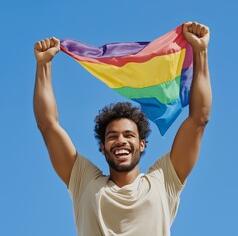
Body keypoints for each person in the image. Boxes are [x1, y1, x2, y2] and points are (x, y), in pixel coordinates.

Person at [33, 21, 212, 236]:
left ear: (142, 143)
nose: (121, 141)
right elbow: (48, 125)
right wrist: (44, 65)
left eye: (129, 135)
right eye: (112, 136)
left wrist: (200, 51)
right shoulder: (85, 181)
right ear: (102, 146)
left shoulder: (163, 181)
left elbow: (199, 119)